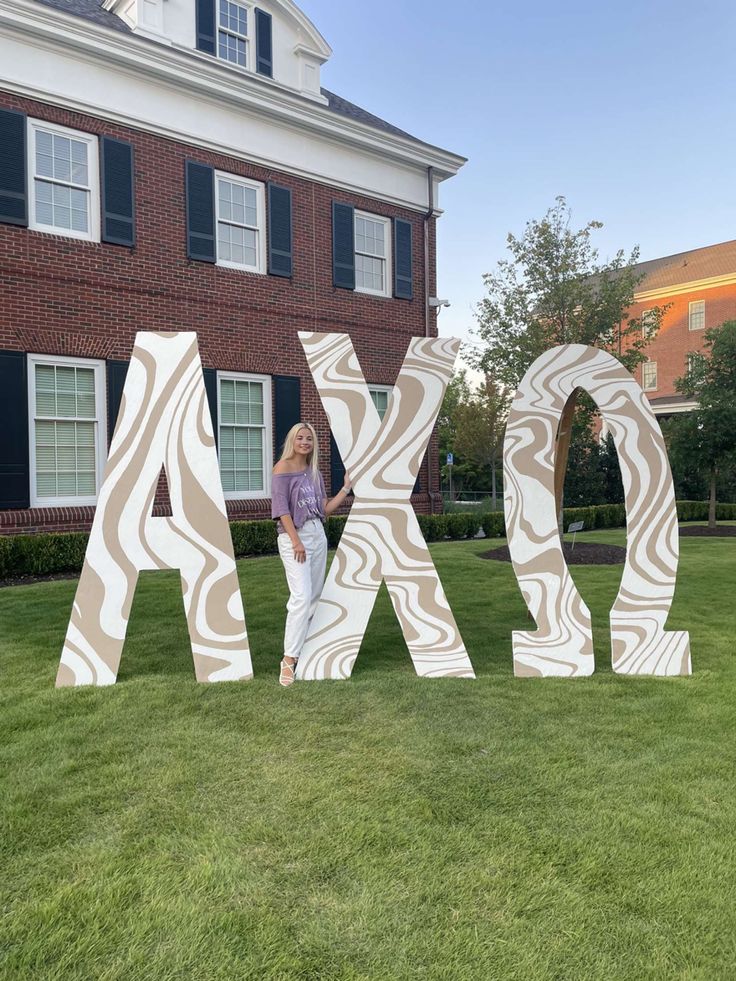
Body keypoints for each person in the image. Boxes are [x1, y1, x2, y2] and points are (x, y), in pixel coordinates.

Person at [271, 422, 351, 686]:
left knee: (315, 596)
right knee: (301, 597)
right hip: (295, 537)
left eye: (309, 438)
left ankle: (308, 653)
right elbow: (281, 509)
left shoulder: (313, 472)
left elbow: (325, 509)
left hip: (317, 534)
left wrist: (345, 489)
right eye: (300, 437)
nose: (305, 442)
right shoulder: (282, 469)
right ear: (292, 440)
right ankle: (289, 660)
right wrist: (296, 541)